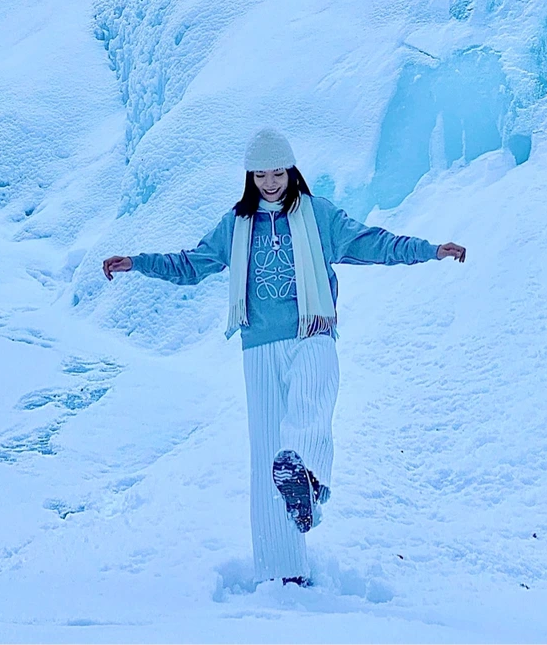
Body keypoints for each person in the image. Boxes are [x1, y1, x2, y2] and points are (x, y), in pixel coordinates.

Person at [102, 128, 467, 588]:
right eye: (260, 174)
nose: (270, 182)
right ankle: (284, 572)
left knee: (312, 397)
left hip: (312, 330)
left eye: (278, 172)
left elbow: (373, 242)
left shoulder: (318, 216)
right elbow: (191, 264)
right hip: (259, 347)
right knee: (266, 458)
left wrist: (430, 250)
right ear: (249, 177)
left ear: (292, 172)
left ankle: (306, 477)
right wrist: (137, 263)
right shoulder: (235, 227)